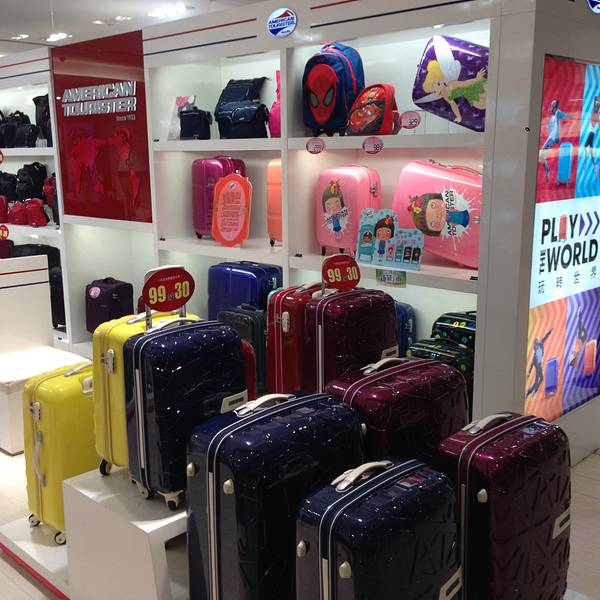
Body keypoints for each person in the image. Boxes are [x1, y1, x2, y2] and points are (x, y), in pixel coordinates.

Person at [422, 62, 487, 124]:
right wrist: (459, 117)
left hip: (473, 87)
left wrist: (476, 79)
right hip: (470, 95)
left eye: (438, 84)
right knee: (482, 104)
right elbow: (453, 104)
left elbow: (464, 84)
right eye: (434, 92)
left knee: (486, 94)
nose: (437, 91)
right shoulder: (445, 96)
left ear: (442, 79)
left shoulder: (451, 84)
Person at [541, 99, 567, 183]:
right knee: (541, 155)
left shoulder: (557, 113)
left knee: (541, 154)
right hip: (550, 137)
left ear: (555, 107)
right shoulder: (552, 117)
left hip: (553, 138)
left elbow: (565, 116)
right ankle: (547, 169)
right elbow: (549, 128)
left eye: (552, 106)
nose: (551, 107)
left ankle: (548, 169)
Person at [526, 329, 553, 398]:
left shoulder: (540, 344)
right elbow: (532, 364)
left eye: (537, 344)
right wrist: (529, 372)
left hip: (539, 366)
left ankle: (531, 391)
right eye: (536, 346)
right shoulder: (535, 355)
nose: (536, 346)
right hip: (538, 366)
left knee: (541, 379)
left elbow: (545, 337)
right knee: (537, 380)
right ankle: (531, 392)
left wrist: (550, 331)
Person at [583, 97, 600, 168]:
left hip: (591, 133)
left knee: (585, 146)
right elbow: (594, 103)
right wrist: (595, 100)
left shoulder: (596, 115)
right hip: (592, 134)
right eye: (595, 106)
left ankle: (586, 161)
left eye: (597, 106)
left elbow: (597, 125)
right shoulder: (594, 112)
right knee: (591, 150)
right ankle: (594, 164)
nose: (595, 107)